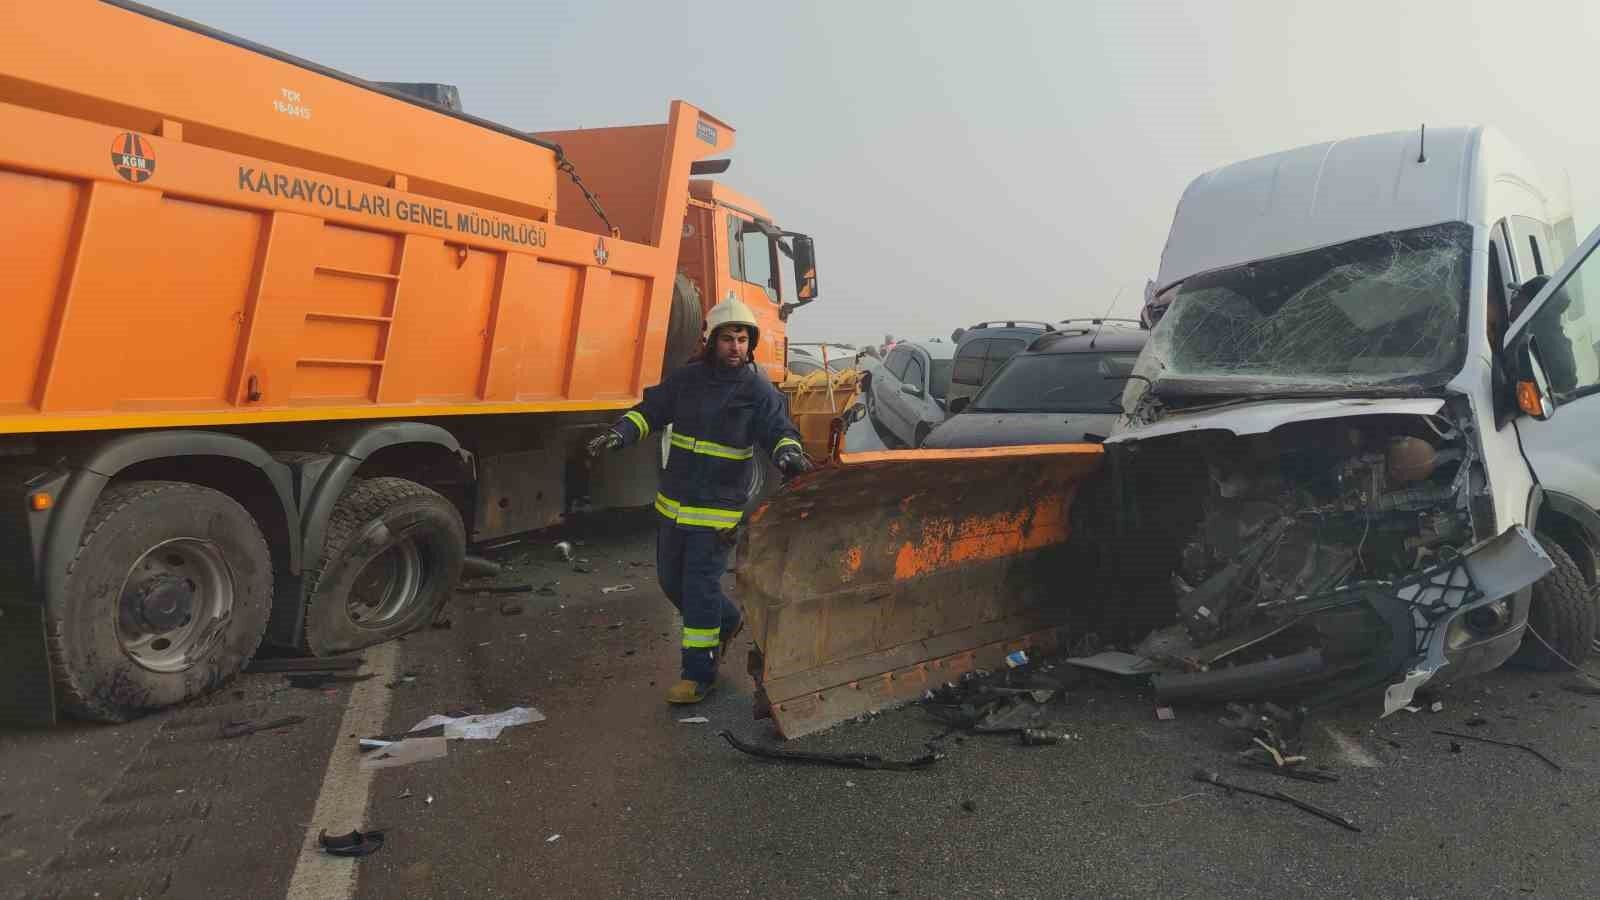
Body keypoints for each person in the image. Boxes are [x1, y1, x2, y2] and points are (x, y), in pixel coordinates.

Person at [587, 296, 812, 704]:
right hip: (673, 504)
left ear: (751, 343)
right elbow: (651, 410)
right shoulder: (687, 380)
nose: (736, 347)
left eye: (743, 339)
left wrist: (787, 452)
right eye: (729, 338)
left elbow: (779, 429)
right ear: (712, 342)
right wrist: (621, 432)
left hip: (717, 512)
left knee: (699, 588)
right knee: (670, 582)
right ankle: (728, 621)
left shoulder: (756, 389)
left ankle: (698, 674)